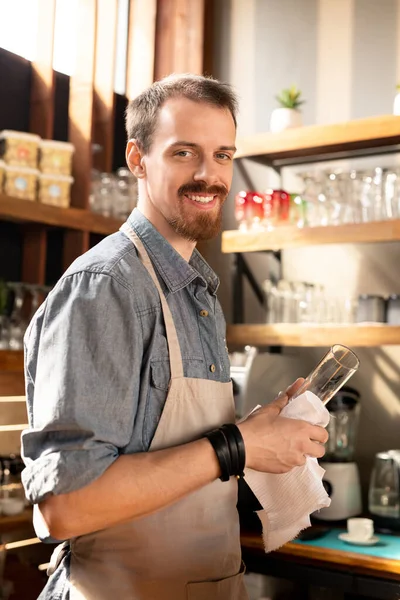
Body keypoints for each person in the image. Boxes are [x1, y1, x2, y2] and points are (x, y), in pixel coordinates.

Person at [21, 74, 329, 600]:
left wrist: (253, 436)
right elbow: (65, 508)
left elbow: (183, 456)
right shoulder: (106, 288)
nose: (209, 176)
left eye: (223, 155)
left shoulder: (198, 292)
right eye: (185, 153)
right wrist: (237, 445)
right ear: (138, 159)